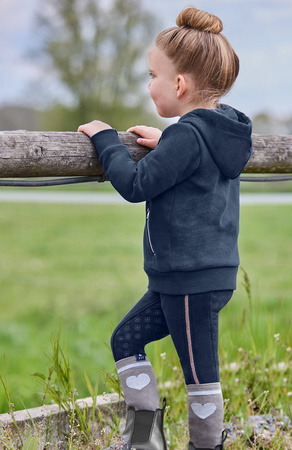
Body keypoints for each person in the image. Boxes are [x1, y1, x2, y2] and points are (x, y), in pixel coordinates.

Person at [78, 7, 252, 450]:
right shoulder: (215, 132)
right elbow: (191, 162)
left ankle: (205, 446)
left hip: (191, 279)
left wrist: (104, 139)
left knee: (200, 375)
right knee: (126, 339)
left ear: (180, 85)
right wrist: (166, 144)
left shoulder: (189, 137)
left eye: (152, 75)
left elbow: (136, 185)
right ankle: (144, 439)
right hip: (184, 276)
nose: (149, 84)